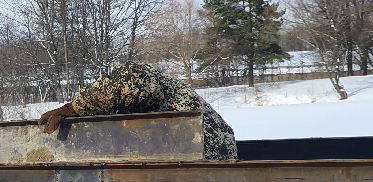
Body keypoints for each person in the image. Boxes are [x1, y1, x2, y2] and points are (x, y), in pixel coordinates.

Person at [37, 62, 237, 160]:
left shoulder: (140, 76)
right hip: (202, 149)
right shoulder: (160, 89)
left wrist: (75, 107)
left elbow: (131, 81)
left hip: (205, 152)